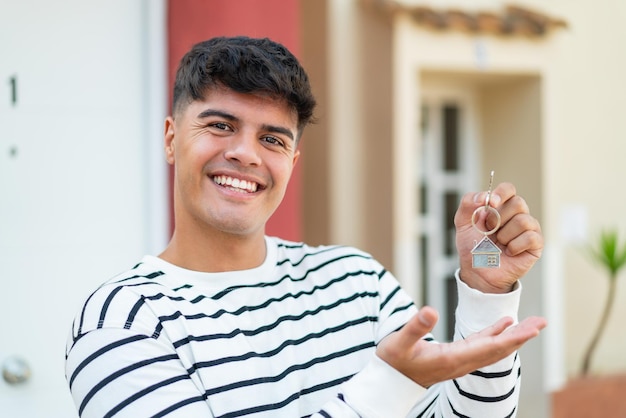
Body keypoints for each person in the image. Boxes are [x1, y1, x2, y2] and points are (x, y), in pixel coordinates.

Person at [65, 36, 546, 418]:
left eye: (271, 138)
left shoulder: (356, 280)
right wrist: (390, 383)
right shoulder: (124, 320)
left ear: (292, 161)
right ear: (172, 138)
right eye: (219, 125)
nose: (246, 154)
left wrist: (485, 289)